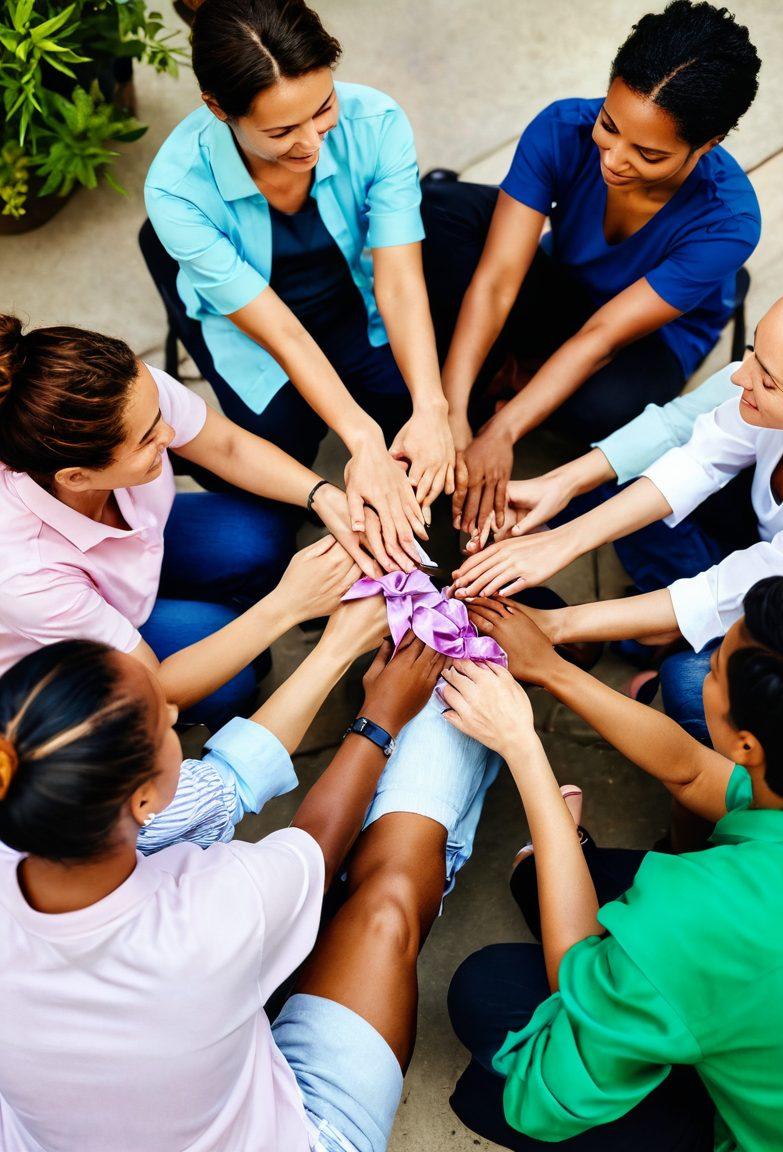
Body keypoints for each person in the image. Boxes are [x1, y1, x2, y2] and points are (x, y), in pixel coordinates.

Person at [0, 593, 501, 1152]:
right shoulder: (210, 911)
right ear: (143, 802)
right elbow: (315, 848)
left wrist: (333, 647)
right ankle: (464, 698)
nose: (174, 715)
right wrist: (382, 718)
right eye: (166, 725)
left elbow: (220, 786)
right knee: (387, 901)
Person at [442, 579, 783, 1151]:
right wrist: (550, 669)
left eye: (715, 667)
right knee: (564, 888)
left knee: (486, 1000)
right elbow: (696, 773)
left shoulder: (698, 911)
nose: (702, 665)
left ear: (748, 746)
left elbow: (574, 1003)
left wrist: (523, 750)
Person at [452, 234, 783, 740]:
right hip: (766, 551)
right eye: (753, 351)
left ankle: (664, 637)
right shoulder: (780, 401)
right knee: (623, 481)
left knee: (687, 685)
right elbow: (696, 461)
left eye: (767, 380)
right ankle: (653, 625)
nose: (738, 377)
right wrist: (561, 541)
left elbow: (721, 594)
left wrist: (553, 627)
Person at [423, 0, 761, 536]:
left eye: (649, 155)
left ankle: (519, 373)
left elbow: (602, 338)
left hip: (647, 335)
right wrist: (450, 410)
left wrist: (502, 431)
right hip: (568, 284)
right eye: (609, 125)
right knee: (439, 212)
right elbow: (497, 281)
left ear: (707, 146)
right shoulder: (562, 127)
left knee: (606, 411)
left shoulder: (730, 222)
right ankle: (516, 372)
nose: (614, 159)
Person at [145, 0, 454, 558]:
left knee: (416, 403)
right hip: (253, 331)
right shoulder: (175, 191)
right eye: (283, 130)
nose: (312, 142)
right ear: (218, 108)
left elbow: (400, 281)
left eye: (324, 108)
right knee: (272, 450)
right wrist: (362, 439)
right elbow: (281, 333)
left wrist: (432, 407)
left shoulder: (376, 121)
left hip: (355, 298)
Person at [0, 314, 380, 727]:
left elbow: (228, 446)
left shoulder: (127, 395)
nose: (169, 433)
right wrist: (286, 606)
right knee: (229, 681)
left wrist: (323, 496)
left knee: (260, 535)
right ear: (76, 477)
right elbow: (152, 688)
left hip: (133, 553)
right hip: (67, 647)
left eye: (160, 413)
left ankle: (237, 616)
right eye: (148, 440)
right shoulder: (24, 572)